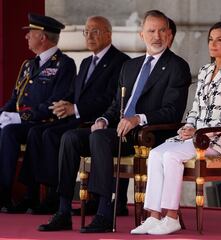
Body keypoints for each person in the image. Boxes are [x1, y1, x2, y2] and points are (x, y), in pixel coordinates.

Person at [37, 9, 191, 233]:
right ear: (142, 35)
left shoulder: (177, 66)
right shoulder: (130, 67)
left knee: (99, 138)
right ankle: (62, 210)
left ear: (169, 34)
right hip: (117, 130)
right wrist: (102, 119)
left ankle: (104, 212)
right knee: (70, 137)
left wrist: (138, 118)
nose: (156, 36)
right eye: (151, 31)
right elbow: (114, 107)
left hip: (147, 135)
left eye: (161, 31)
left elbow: (172, 112)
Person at [130, 21, 221, 235]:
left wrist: (199, 132)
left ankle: (171, 217)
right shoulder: (205, 71)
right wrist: (188, 127)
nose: (213, 44)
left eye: (219, 40)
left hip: (218, 141)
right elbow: (195, 108)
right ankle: (154, 216)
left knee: (170, 157)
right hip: (194, 137)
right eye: (210, 40)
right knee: (156, 154)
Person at [5, 16, 130, 214]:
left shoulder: (121, 62)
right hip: (78, 118)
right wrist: (64, 104)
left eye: (95, 32)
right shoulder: (87, 61)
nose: (89, 36)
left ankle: (55, 196)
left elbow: (110, 100)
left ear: (108, 34)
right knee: (36, 132)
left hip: (99, 121)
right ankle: (33, 194)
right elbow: (74, 92)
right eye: (86, 32)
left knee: (51, 135)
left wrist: (76, 108)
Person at [0, 13, 76, 210]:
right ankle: (4, 194)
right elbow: (15, 98)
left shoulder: (64, 64)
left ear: (42, 36)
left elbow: (54, 103)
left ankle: (9, 193)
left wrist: (20, 117)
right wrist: (3, 113)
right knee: (3, 129)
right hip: (25, 123)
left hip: (45, 123)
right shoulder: (28, 64)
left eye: (30, 33)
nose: (26, 37)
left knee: (9, 132)